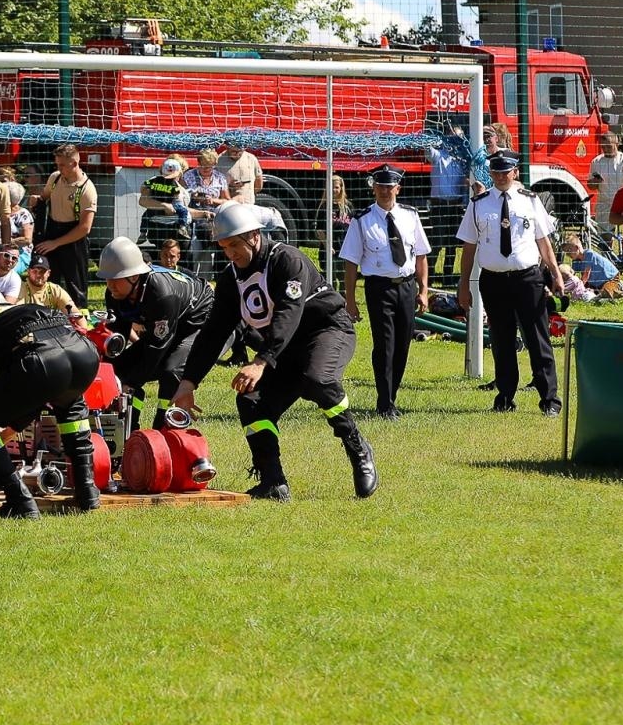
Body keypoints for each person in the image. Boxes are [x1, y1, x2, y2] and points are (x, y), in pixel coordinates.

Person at [171, 203, 377, 502]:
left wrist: (261, 361)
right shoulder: (231, 278)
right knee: (251, 400)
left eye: (235, 246)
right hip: (283, 347)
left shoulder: (287, 260)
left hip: (325, 330)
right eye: (224, 247)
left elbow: (288, 314)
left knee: (316, 379)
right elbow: (214, 331)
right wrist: (189, 382)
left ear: (254, 235)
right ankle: (273, 481)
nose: (230, 254)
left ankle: (357, 446)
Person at [0, 285, 103, 519]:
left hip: (43, 363)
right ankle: (87, 489)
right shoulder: (22, 309)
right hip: (85, 355)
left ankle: (18, 499)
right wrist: (16, 424)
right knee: (70, 404)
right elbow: (39, 393)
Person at [456, 153, 565, 416]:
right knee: (502, 340)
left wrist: (555, 272)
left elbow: (543, 241)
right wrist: (463, 284)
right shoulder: (478, 204)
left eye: (507, 172)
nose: (502, 177)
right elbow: (469, 248)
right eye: (497, 172)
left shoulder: (530, 200)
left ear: (515, 172)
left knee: (538, 338)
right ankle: (505, 395)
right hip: (493, 280)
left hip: (527, 278)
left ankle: (549, 398)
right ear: (491, 174)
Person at [339, 165, 431, 419]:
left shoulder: (410, 216)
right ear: (374, 188)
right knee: (385, 345)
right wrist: (350, 300)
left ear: (397, 188)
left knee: (402, 345)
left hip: (406, 286)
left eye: (389, 186)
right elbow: (350, 262)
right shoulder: (362, 220)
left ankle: (393, 395)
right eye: (379, 186)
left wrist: (423, 290)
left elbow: (421, 255)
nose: (384, 191)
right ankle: (385, 402)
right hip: (379, 288)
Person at [97, 237, 215, 430]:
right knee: (118, 370)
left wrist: (132, 383)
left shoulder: (160, 294)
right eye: (107, 278)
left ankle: (164, 428)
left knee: (170, 370)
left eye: (115, 279)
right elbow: (119, 336)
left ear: (134, 277)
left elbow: (155, 349)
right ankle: (129, 430)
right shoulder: (114, 293)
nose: (110, 285)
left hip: (198, 319)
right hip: (166, 321)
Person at [32, 144, 98, 310]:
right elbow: (45, 197)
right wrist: (37, 200)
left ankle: (79, 323)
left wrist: (55, 243)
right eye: (57, 164)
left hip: (73, 238)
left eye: (62, 164)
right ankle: (46, 315)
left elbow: (84, 228)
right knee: (47, 280)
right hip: (52, 231)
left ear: (74, 163)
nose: (58, 168)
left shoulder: (86, 189)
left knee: (76, 287)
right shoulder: (54, 178)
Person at [427, 132, 471, 288]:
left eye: (458, 138)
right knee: (437, 242)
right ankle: (429, 276)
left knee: (452, 244)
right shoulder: (439, 155)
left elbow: (466, 184)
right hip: (439, 205)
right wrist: (435, 137)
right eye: (452, 137)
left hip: (455, 205)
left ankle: (447, 277)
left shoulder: (463, 160)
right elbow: (428, 149)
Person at [138, 155, 198, 245]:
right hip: (161, 227)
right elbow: (143, 200)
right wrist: (165, 206)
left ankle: (183, 228)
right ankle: (143, 233)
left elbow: (183, 208)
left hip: (178, 228)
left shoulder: (181, 185)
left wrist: (204, 213)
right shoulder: (155, 180)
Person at [588, 132, 623, 233]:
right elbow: (590, 186)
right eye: (603, 147)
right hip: (604, 204)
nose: (605, 150)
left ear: (617, 144)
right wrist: (595, 181)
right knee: (605, 237)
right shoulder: (596, 162)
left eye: (609, 147)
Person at [560, 235, 623, 300]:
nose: (567, 254)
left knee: (607, 291)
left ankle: (621, 289)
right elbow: (573, 276)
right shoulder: (575, 260)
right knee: (591, 292)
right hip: (597, 284)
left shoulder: (589, 254)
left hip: (611, 278)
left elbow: (586, 275)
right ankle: (601, 295)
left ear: (577, 247)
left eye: (569, 250)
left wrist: (578, 287)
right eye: (566, 252)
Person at [316, 174, 353, 281]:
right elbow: (319, 230)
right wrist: (327, 246)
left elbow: (353, 229)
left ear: (341, 188)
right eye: (331, 187)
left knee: (344, 281)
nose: (334, 190)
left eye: (336, 187)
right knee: (330, 281)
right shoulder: (324, 207)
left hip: (344, 250)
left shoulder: (348, 207)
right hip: (329, 251)